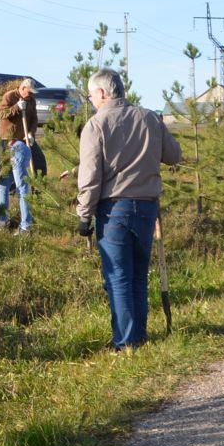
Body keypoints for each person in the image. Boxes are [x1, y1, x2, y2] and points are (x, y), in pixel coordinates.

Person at [76, 68, 184, 351]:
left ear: (101, 93)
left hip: (114, 210)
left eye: (91, 95)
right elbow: (174, 155)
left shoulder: (96, 125)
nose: (91, 100)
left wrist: (83, 215)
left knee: (118, 277)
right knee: (137, 274)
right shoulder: (149, 117)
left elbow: (90, 177)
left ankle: (126, 343)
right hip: (147, 207)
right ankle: (139, 334)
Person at [0, 80, 40, 232]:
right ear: (22, 88)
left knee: (22, 186)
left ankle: (26, 225)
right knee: (3, 185)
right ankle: (3, 221)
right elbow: (1, 114)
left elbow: (34, 119)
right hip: (7, 142)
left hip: (21, 144)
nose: (30, 96)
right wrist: (16, 108)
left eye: (32, 93)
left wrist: (31, 133)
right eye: (28, 92)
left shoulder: (31, 100)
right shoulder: (9, 97)